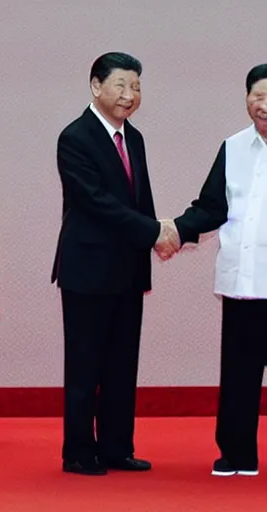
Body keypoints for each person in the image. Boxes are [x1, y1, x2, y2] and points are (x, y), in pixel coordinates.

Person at [51, 52, 178, 476]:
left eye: (136, 87)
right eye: (121, 85)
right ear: (96, 87)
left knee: (123, 364)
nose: (130, 95)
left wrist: (159, 239)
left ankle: (116, 447)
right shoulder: (75, 138)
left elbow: (140, 198)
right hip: (87, 271)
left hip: (126, 270)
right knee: (86, 367)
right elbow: (98, 204)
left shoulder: (134, 138)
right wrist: (153, 233)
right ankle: (78, 453)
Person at [165, 63, 267, 477]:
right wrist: (173, 230)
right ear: (246, 100)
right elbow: (211, 207)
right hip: (243, 282)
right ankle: (236, 453)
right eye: (257, 96)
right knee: (239, 374)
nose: (264, 105)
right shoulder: (233, 147)